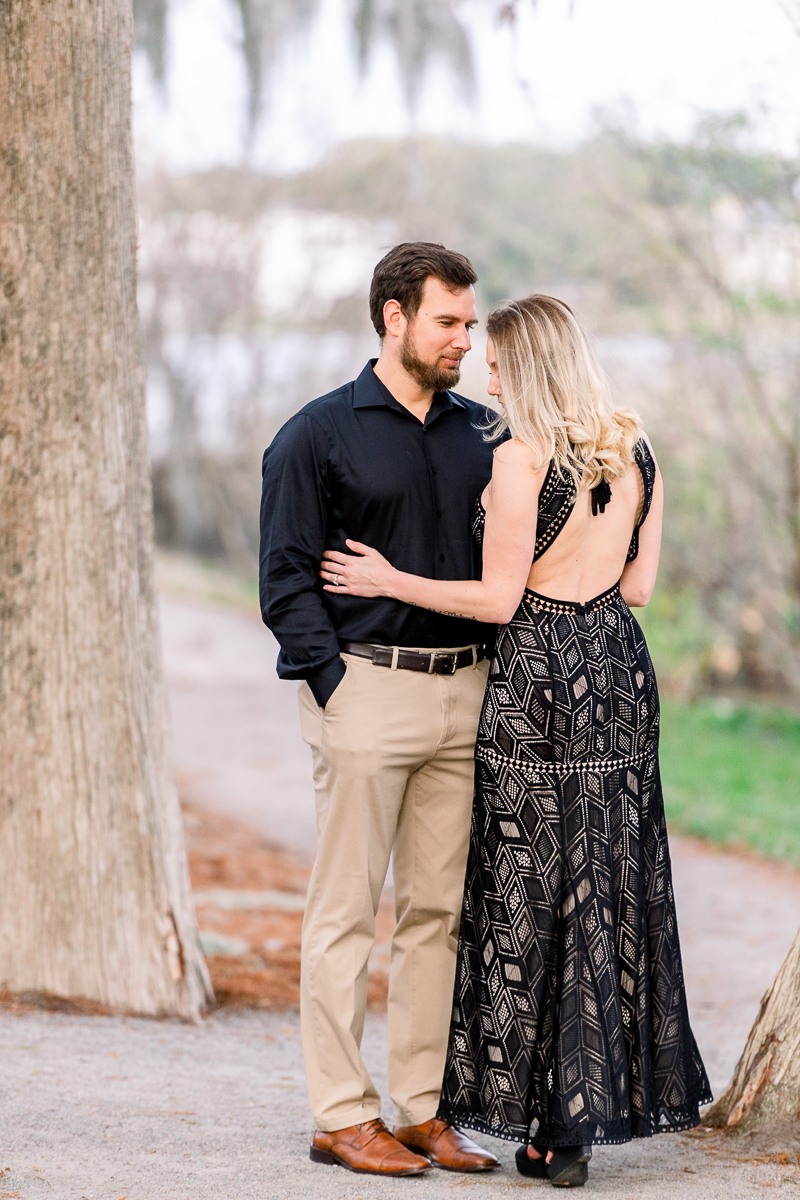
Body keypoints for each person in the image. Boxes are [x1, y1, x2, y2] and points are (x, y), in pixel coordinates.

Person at [320, 294, 713, 1188]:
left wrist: (390, 576)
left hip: (538, 677)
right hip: (616, 671)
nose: (487, 372)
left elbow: (499, 601)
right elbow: (640, 587)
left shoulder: (520, 460)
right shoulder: (637, 451)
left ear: (531, 367)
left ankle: (540, 1119)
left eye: (500, 360)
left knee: (526, 897)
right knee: (607, 888)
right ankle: (569, 1134)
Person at [259, 242, 502, 1177]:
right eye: (449, 322)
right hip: (366, 687)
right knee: (347, 912)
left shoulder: (481, 433)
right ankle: (339, 1114)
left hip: (465, 692)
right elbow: (284, 581)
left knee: (438, 911)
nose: (465, 341)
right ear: (394, 318)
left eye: (472, 324)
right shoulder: (314, 435)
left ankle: (420, 1109)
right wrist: (335, 682)